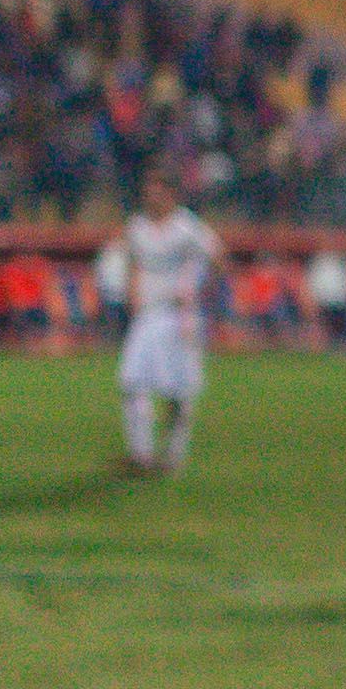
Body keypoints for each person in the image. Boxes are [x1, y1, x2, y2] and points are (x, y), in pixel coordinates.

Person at [116, 164, 225, 476]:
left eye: (157, 188)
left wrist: (197, 288)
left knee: (179, 390)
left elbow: (219, 258)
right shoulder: (137, 226)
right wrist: (132, 293)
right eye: (148, 187)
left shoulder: (187, 228)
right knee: (131, 381)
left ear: (171, 193)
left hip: (180, 318)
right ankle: (141, 455)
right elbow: (134, 262)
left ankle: (173, 458)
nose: (150, 194)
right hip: (147, 316)